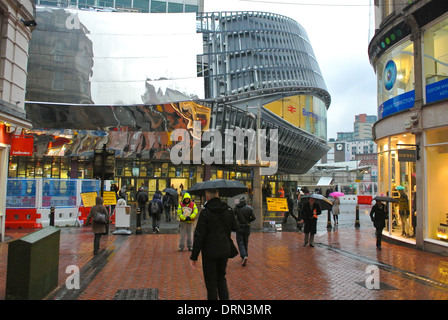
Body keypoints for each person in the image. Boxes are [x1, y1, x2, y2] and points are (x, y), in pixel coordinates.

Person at [190, 189, 239, 300]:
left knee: (211, 283)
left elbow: (199, 236)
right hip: (224, 249)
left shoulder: (206, 212)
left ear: (208, 197)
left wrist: (194, 256)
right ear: (218, 195)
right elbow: (236, 227)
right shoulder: (228, 209)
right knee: (221, 278)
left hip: (209, 252)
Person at [234, 196, 256, 266]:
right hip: (247, 227)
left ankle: (244, 255)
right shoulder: (249, 208)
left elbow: (233, 217)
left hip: (239, 227)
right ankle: (245, 255)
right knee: (245, 241)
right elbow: (254, 217)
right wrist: (248, 221)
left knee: (240, 242)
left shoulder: (237, 208)